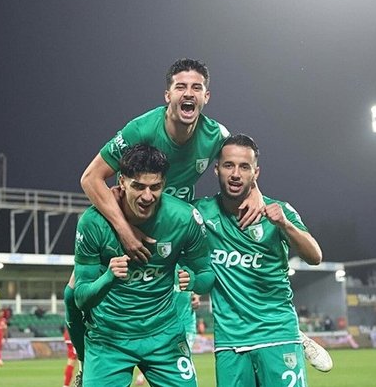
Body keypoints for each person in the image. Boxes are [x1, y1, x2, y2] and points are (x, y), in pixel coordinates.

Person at [65, 57, 263, 384]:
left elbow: (240, 164)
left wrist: (256, 192)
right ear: (167, 95)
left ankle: (279, 327)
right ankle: (88, 363)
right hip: (130, 220)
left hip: (178, 225)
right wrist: (125, 230)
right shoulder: (141, 130)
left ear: (206, 96)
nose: (189, 93)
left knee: (234, 258)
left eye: (196, 87)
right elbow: (90, 178)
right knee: (73, 293)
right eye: (181, 86)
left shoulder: (216, 135)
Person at [73, 144, 214, 386]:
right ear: (122, 181)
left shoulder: (184, 218)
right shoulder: (93, 222)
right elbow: (80, 298)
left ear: (164, 183)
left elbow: (207, 275)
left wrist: (193, 281)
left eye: (155, 187)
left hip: (164, 336)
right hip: (109, 338)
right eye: (138, 186)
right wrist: (108, 278)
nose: (147, 196)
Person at [193, 134, 328, 386]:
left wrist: (285, 225)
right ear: (216, 169)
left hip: (277, 333)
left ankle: (297, 337)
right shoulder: (201, 213)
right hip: (230, 342)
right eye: (229, 165)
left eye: (244, 167)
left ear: (256, 173)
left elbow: (314, 256)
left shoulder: (278, 211)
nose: (236, 174)